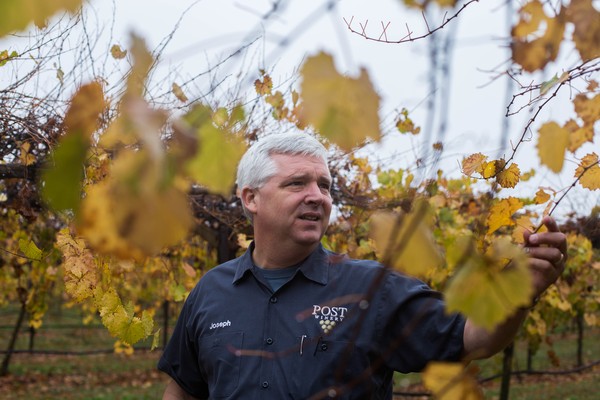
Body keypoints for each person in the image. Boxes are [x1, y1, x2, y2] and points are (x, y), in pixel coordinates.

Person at [158, 132, 567, 399]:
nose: (317, 196)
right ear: (251, 199)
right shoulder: (210, 291)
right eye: (297, 183)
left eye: (325, 186)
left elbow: (472, 337)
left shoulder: (373, 289)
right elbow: (183, 388)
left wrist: (520, 291)